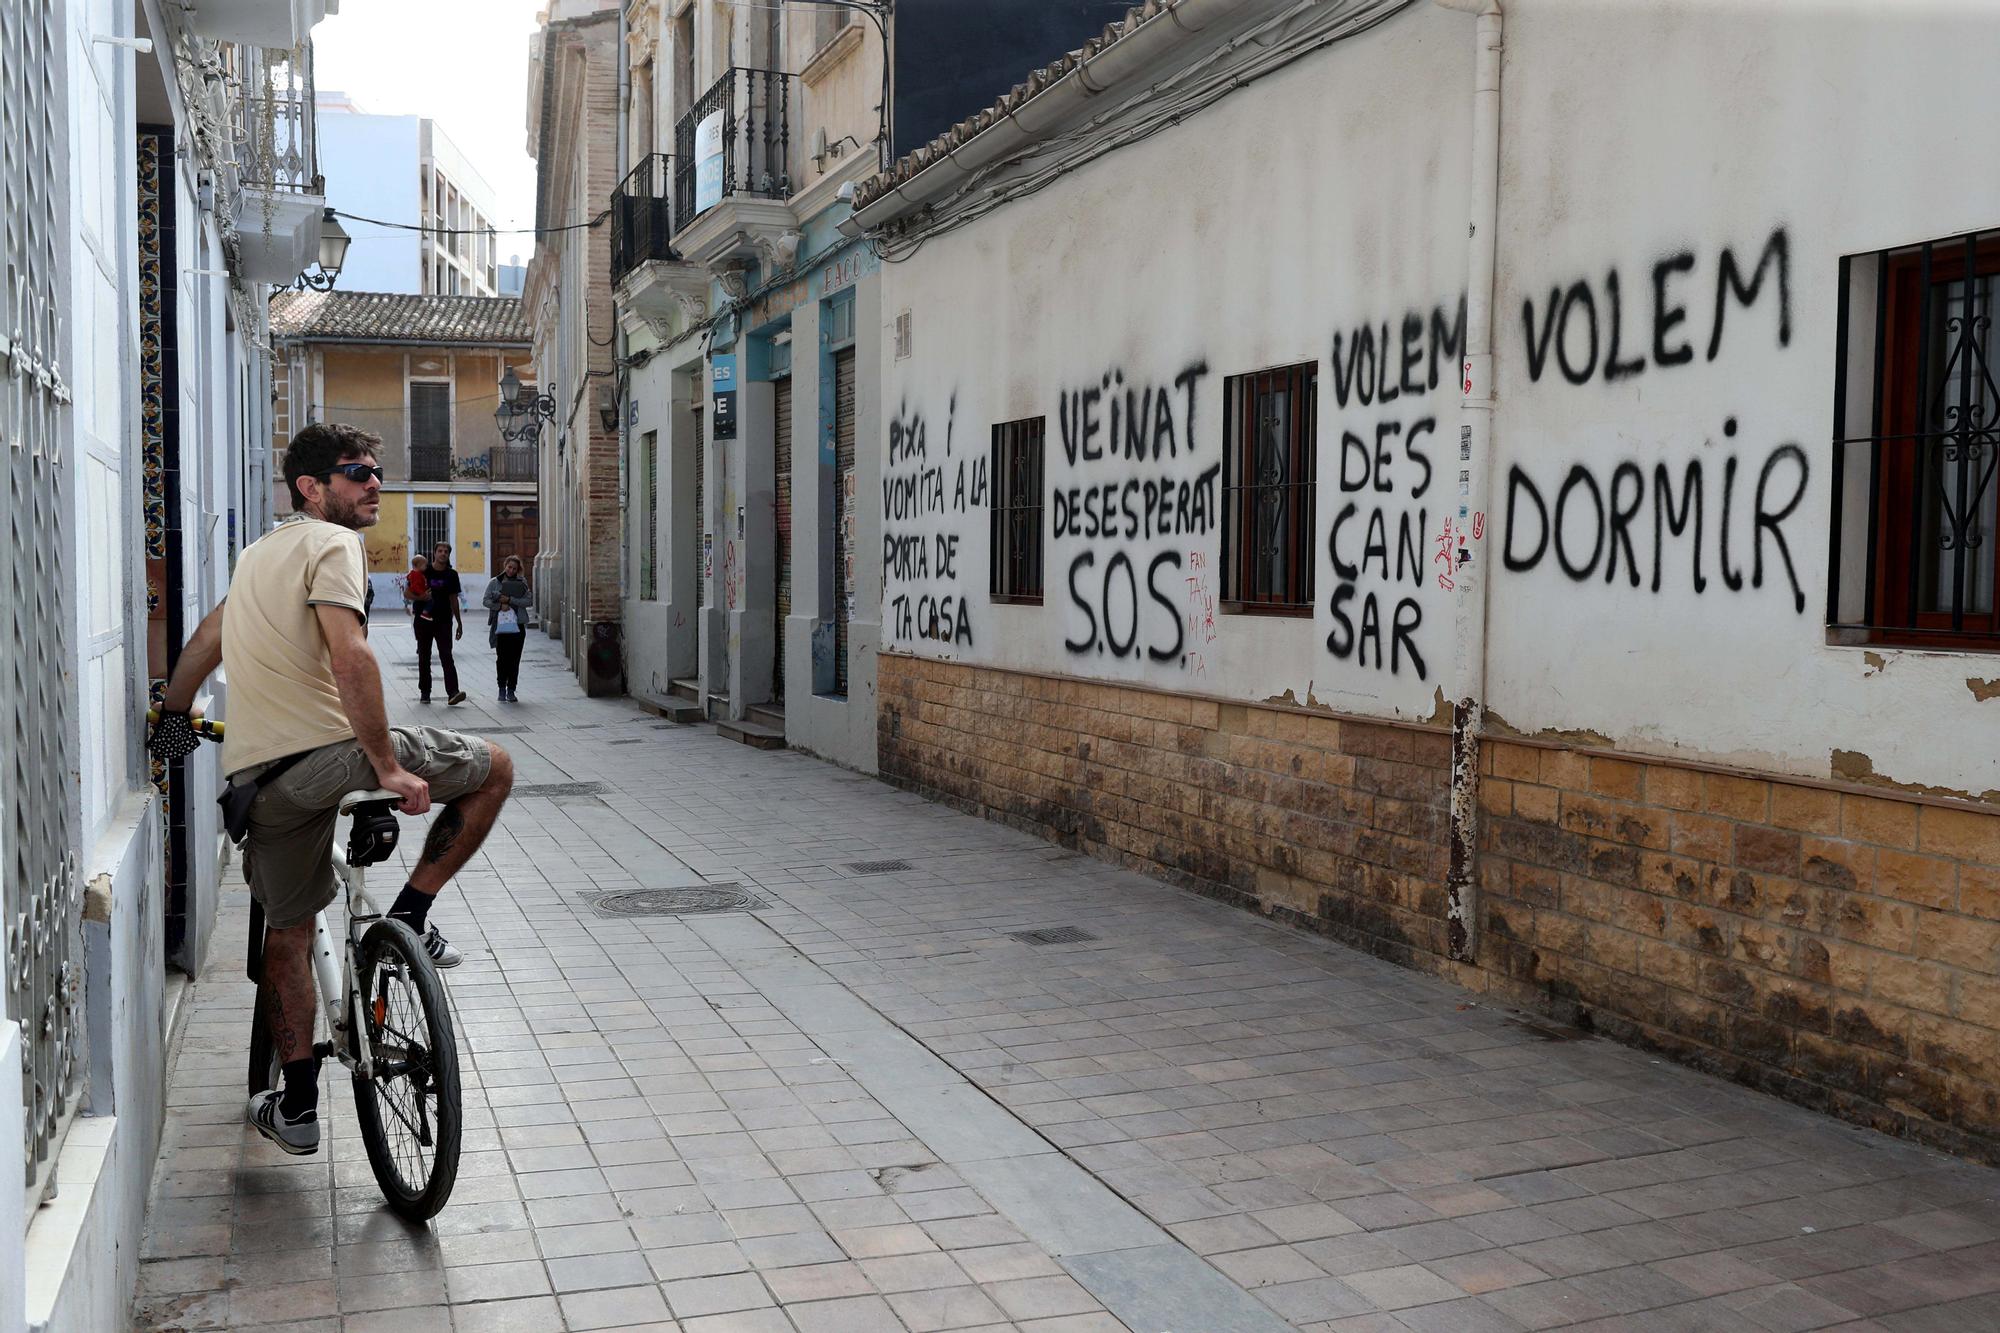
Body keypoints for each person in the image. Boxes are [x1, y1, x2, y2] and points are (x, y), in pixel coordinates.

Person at [148, 422, 514, 1157]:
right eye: (356, 472)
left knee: (286, 931)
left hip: (262, 786)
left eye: (377, 470)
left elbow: (204, 646)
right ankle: (411, 915)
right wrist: (385, 765)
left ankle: (299, 1106)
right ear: (312, 488)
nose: (374, 481)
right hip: (334, 761)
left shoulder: (255, 557)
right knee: (496, 768)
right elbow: (351, 655)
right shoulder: (332, 544)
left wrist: (169, 727)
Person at [416, 542, 466, 705]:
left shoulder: (452, 575)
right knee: (424, 655)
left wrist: (459, 622)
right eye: (440, 551)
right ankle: (425, 692)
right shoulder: (424, 571)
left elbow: (454, 599)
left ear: (448, 555)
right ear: (434, 553)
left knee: (446, 655)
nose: (443, 554)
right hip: (423, 620)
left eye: (446, 551)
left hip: (444, 620)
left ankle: (453, 692)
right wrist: (420, 598)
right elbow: (408, 591)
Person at [483, 554, 532, 702]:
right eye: (509, 567)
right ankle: (501, 689)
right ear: (505, 566)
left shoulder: (522, 582)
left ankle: (512, 689)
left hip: (517, 627)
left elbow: (528, 600)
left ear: (518, 570)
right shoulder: (495, 582)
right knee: (502, 658)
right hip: (501, 627)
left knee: (515, 659)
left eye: (514, 568)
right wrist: (500, 606)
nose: (511, 570)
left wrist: (511, 600)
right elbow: (485, 601)